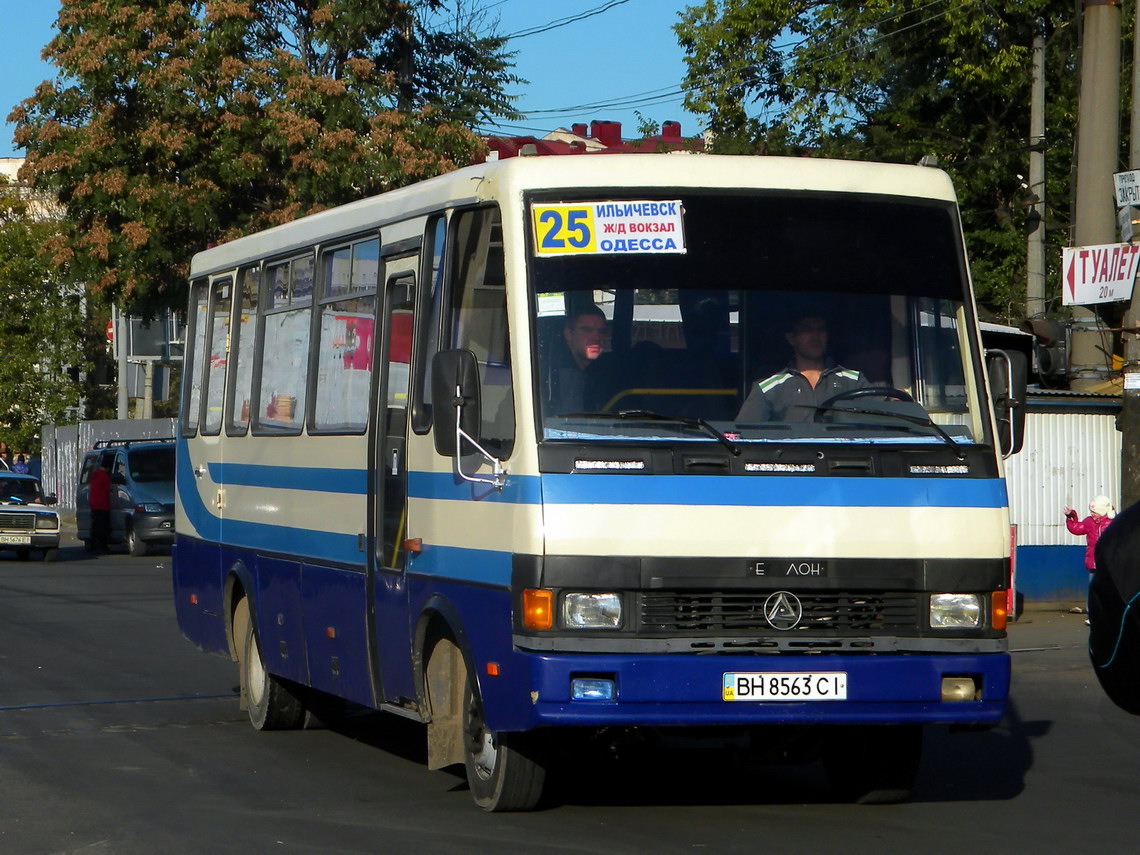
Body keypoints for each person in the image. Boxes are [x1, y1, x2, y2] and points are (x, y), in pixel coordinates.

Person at [736, 311, 867, 423]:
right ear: (792, 338)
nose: (815, 336)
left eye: (821, 330)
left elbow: (882, 416)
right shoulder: (768, 388)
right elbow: (744, 438)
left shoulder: (854, 381)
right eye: (807, 330)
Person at [545, 305, 607, 415]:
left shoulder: (606, 372)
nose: (596, 337)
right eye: (587, 330)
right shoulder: (551, 377)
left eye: (601, 331)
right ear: (568, 334)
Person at [1065, 496, 1115, 622]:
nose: (1092, 514)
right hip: (1094, 563)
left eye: (1095, 512)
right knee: (1093, 590)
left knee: (1109, 589)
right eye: (1091, 511)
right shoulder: (1089, 522)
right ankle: (1093, 616)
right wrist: (1071, 516)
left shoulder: (1112, 523)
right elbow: (1076, 528)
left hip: (1109, 564)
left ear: (1102, 511)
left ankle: (1110, 615)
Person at [88, 457, 113, 554]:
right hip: (103, 504)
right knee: (103, 528)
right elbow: (108, 489)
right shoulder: (104, 476)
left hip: (94, 504)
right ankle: (102, 547)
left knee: (96, 526)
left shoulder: (95, 474)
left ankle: (93, 546)